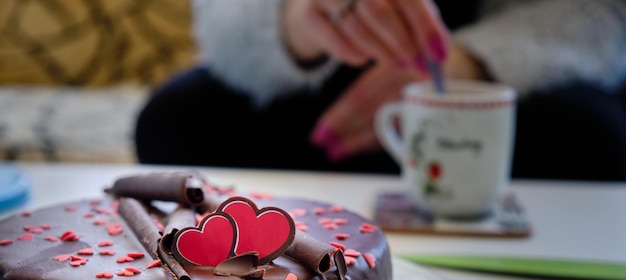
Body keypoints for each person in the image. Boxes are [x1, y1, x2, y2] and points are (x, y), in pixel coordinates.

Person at [135, 0, 626, 181]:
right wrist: (295, 23)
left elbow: (605, 17)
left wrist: (471, 61)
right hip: (314, 73)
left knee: (596, 140)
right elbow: (220, 23)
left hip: (513, 70)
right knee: (175, 120)